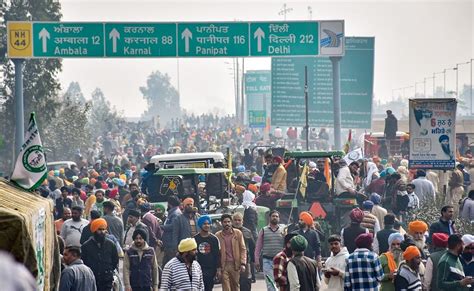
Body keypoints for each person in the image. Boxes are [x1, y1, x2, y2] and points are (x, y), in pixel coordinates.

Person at [81, 218, 119, 291]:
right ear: (94, 230)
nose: (102, 232)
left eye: (103, 229)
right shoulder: (86, 246)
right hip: (92, 279)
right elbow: (83, 262)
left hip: (106, 280)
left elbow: (115, 261)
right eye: (99, 230)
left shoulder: (111, 245)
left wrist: (108, 270)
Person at [215, 214, 247, 291]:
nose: (227, 224)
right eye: (225, 222)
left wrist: (243, 263)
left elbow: (243, 249)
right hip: (224, 265)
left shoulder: (238, 233)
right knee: (226, 287)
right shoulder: (217, 235)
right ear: (221, 223)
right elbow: (216, 253)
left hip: (235, 265)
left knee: (235, 286)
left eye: (229, 222)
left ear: (231, 222)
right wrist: (218, 268)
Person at [194, 215, 220, 291]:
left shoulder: (214, 239)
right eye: (204, 224)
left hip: (210, 269)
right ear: (200, 225)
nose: (207, 225)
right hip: (198, 269)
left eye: (208, 224)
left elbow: (217, 255)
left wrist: (218, 269)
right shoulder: (195, 239)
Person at [232, 212, 255, 290]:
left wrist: (253, 261)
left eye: (239, 220)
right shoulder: (227, 232)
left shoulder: (247, 232)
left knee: (246, 281)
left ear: (242, 221)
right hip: (231, 261)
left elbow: (252, 247)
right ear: (232, 221)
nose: (237, 222)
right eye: (235, 220)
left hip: (245, 261)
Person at [161, 195, 182, 266]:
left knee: (171, 265)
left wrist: (161, 227)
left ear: (169, 203)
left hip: (171, 245)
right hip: (168, 244)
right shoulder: (173, 212)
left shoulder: (175, 213)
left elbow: (173, 226)